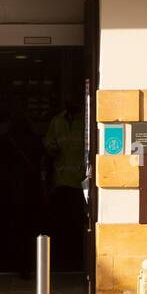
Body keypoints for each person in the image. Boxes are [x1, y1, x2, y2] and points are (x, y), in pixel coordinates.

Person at [43, 89, 86, 271]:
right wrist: (52, 149)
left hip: (80, 182)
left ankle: (77, 260)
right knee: (61, 224)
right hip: (61, 182)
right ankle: (62, 259)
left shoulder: (85, 120)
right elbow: (48, 144)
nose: (70, 102)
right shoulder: (57, 121)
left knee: (78, 223)